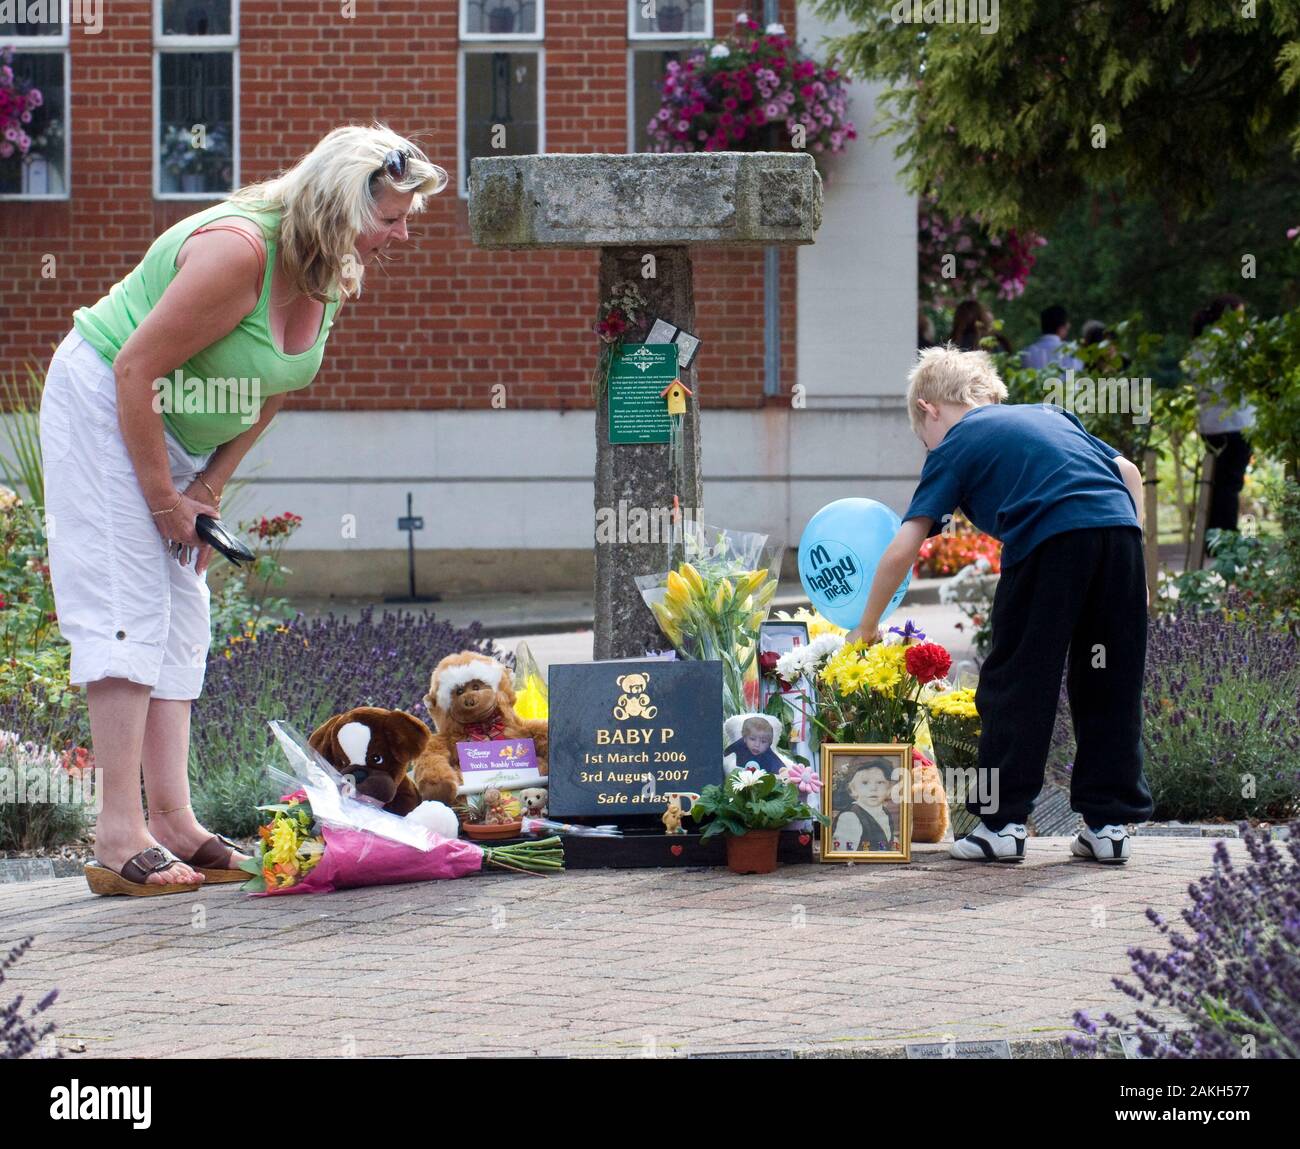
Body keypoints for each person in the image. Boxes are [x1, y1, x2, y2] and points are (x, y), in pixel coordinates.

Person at [39, 125, 448, 895]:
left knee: (181, 609)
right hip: (108, 401)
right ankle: (115, 835)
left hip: (178, 425)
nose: (402, 232)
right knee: (126, 603)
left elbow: (274, 386)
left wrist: (207, 487)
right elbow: (133, 368)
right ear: (340, 202)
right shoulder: (240, 253)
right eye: (392, 215)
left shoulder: (331, 265)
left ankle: (174, 823)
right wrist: (163, 495)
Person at [845, 346, 1153, 864]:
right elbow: (1128, 471)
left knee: (1018, 680)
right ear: (988, 395)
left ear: (929, 409)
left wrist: (867, 625)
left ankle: (1002, 825)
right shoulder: (1050, 415)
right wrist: (1135, 561)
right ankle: (1108, 826)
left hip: (1049, 542)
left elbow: (904, 546)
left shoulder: (955, 444)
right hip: (1117, 535)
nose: (928, 447)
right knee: (1110, 681)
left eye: (923, 439)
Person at [1188, 294, 1252, 548]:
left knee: (1215, 482)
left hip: (1209, 424)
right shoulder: (1234, 344)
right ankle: (1228, 539)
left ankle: (1213, 538)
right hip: (1235, 422)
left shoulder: (1199, 345)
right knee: (1230, 483)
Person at [831, 761, 898, 852]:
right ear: (852, 789)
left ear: (889, 788)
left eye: (880, 782)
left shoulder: (884, 812)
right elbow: (843, 851)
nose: (873, 788)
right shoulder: (850, 817)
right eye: (865, 783)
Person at [1020, 304, 1082, 371]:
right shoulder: (1072, 351)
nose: (1069, 326)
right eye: (1067, 323)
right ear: (1061, 327)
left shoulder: (1027, 353)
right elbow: (1074, 376)